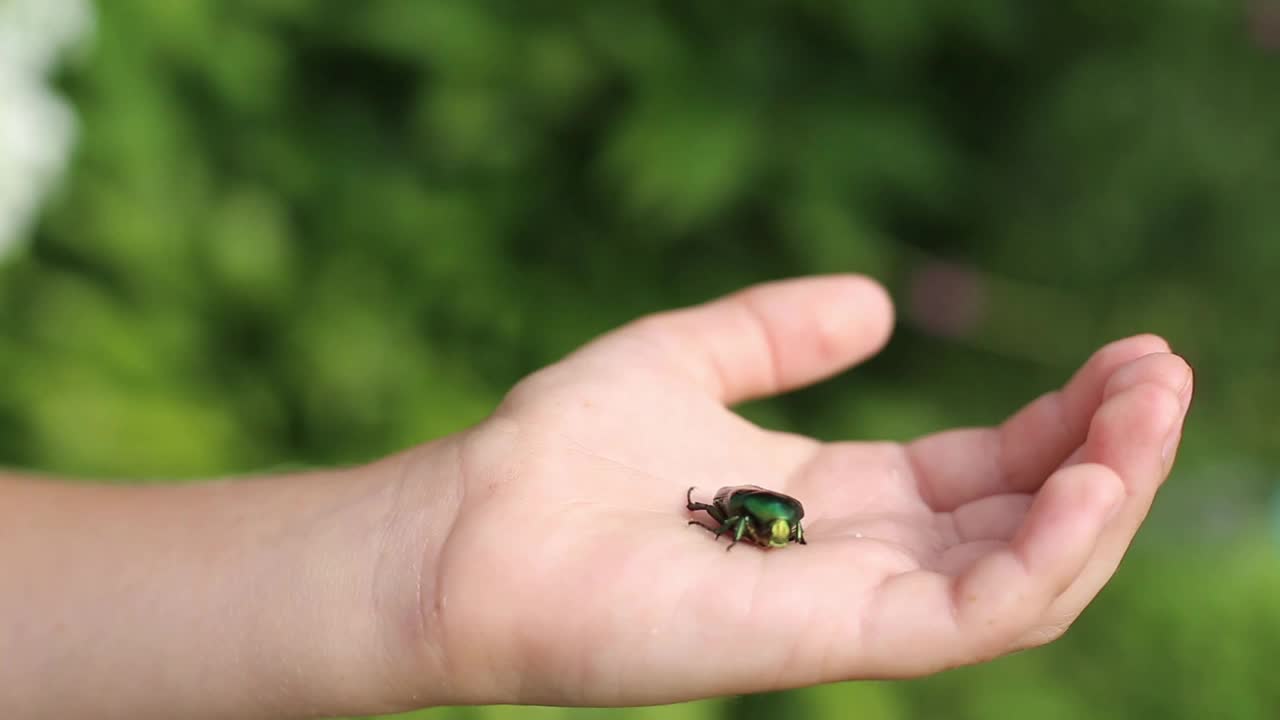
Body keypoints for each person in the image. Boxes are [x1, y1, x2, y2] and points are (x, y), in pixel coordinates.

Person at [0, 275, 1193, 719]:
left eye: (729, 521)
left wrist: (418, 555)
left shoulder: (747, 514)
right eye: (732, 520)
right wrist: (419, 561)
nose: (729, 525)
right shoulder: (738, 513)